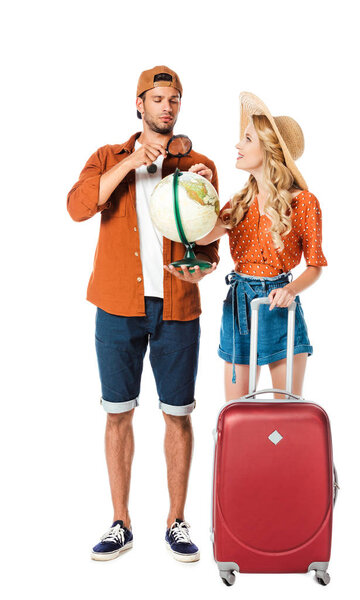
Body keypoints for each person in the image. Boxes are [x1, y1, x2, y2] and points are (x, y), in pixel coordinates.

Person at [67, 66, 219, 562]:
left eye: (174, 99)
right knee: (118, 413)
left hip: (178, 308)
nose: (167, 107)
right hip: (117, 305)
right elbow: (78, 207)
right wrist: (133, 160)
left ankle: (176, 520)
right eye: (157, 98)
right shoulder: (108, 157)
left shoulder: (200, 165)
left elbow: (209, 247)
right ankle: (120, 522)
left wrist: (200, 266)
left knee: (178, 416)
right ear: (139, 105)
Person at [196, 92, 328, 401]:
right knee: (237, 412)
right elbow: (202, 238)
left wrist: (291, 290)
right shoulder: (239, 202)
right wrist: (201, 192)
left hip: (280, 306)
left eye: (246, 139)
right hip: (239, 306)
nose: (237, 145)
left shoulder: (304, 203)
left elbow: (315, 266)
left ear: (268, 149)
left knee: (286, 415)